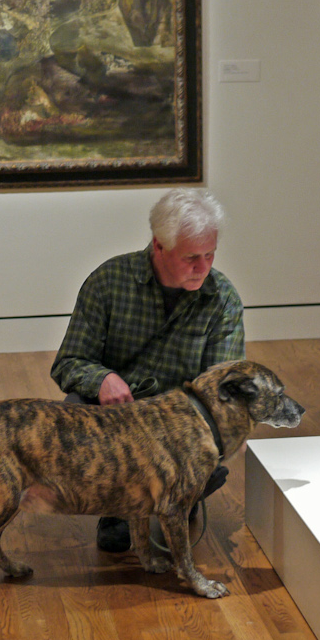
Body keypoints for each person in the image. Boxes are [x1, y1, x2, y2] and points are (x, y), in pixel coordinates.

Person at [51, 187, 246, 551]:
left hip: (177, 427)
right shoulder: (109, 282)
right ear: (159, 246)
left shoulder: (223, 299)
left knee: (209, 443)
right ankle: (119, 509)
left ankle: (176, 494)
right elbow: (68, 362)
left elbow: (224, 389)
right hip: (115, 421)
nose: (203, 267)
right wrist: (102, 378)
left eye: (210, 254)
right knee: (71, 416)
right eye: (191, 257)